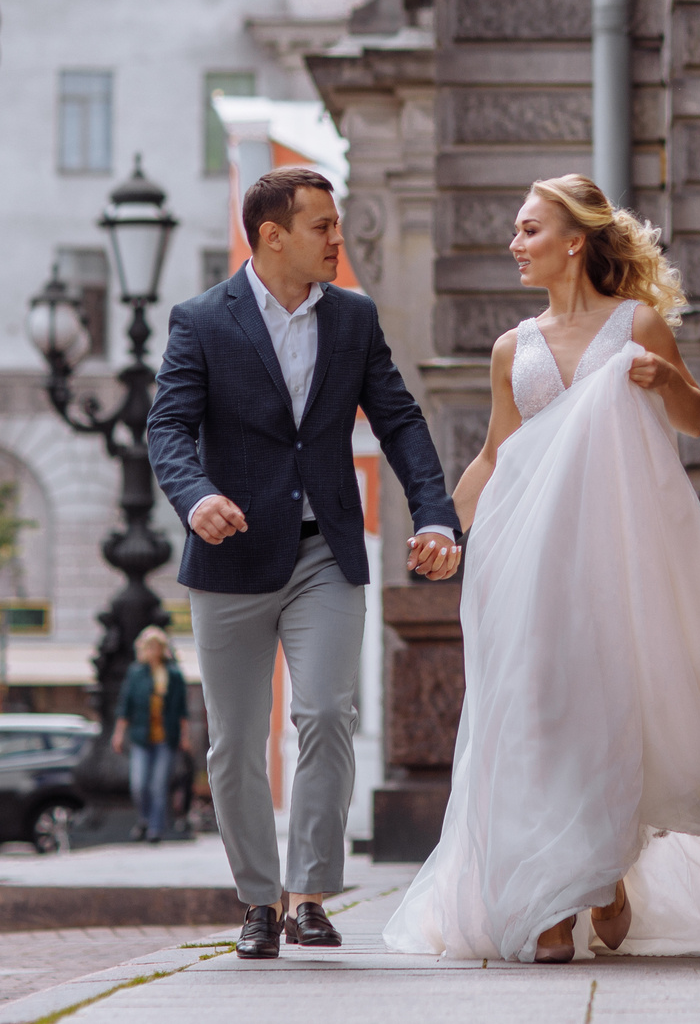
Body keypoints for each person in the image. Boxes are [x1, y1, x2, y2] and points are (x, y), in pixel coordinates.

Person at [384, 174, 700, 965]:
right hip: (524, 566)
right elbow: (498, 454)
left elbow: (695, 416)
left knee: (611, 707)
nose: (514, 243)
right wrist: (443, 528)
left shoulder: (637, 323)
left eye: (529, 229)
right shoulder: (513, 347)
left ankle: (602, 871)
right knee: (537, 713)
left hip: (616, 561)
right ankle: (551, 890)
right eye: (515, 229)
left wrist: (665, 376)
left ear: (575, 240)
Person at [148, 165, 463, 960]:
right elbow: (168, 429)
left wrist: (435, 513)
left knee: (326, 712)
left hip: (327, 552)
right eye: (323, 225)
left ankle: (311, 893)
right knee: (235, 740)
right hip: (229, 555)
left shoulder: (352, 318)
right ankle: (258, 897)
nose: (338, 239)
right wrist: (195, 497)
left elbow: (399, 420)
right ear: (273, 235)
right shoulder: (202, 320)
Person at [111, 626, 188, 843]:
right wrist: (118, 734)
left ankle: (156, 829)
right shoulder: (136, 673)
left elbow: (181, 709)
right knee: (139, 784)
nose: (153, 651)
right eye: (149, 647)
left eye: (156, 646)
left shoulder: (173, 674)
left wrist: (184, 736)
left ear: (162, 649)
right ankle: (144, 820)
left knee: (159, 785)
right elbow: (125, 706)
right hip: (141, 736)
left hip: (166, 737)